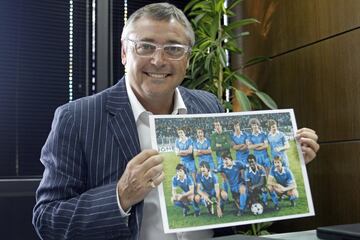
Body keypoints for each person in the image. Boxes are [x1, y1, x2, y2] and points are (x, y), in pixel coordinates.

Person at [32, 2, 319, 240]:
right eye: (145, 46)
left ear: (188, 59)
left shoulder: (208, 106)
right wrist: (120, 196)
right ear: (124, 53)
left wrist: (288, 158)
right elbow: (47, 220)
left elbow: (234, 180)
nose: (159, 60)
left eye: (173, 48)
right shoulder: (77, 118)